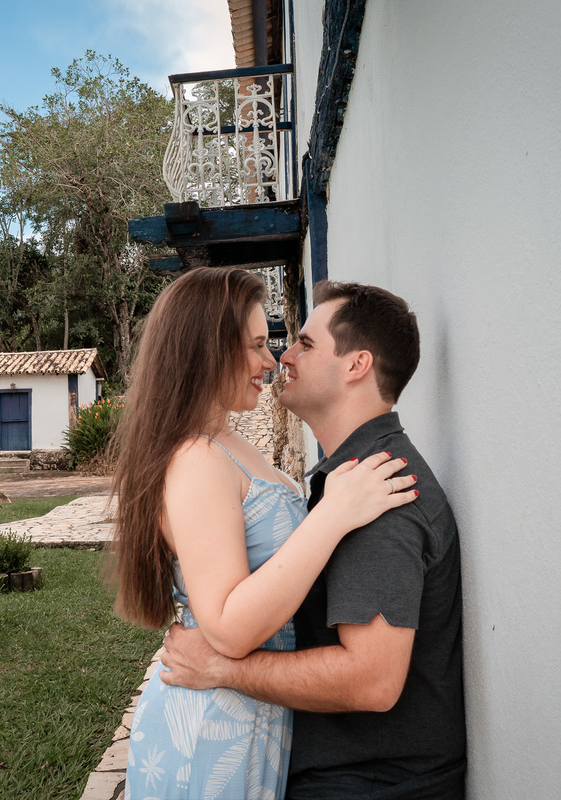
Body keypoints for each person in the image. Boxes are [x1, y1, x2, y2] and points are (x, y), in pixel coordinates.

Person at [111, 268, 419, 800]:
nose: (271, 361)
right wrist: (330, 516)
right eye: (257, 345)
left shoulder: (226, 441)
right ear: (209, 349)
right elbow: (228, 627)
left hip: (248, 713)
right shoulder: (197, 457)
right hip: (209, 729)